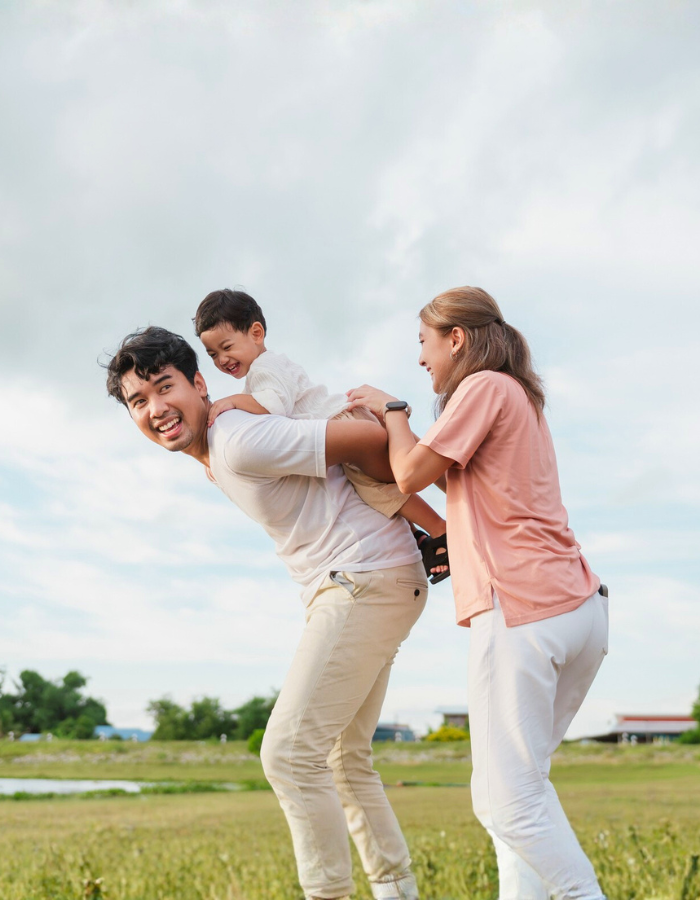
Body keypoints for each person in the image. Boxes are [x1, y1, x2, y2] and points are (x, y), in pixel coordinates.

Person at [104, 325, 430, 900]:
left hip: (362, 578)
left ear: (200, 383)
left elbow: (370, 442)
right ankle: (397, 891)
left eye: (165, 387)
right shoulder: (220, 453)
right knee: (341, 758)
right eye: (139, 400)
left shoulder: (237, 439)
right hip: (367, 580)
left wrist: (427, 514)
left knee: (287, 754)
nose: (156, 408)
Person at [347, 286, 609, 900]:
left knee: (503, 803)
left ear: (455, 338)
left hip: (522, 610)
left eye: (423, 343)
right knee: (523, 792)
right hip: (578, 609)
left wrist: (392, 410)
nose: (420, 359)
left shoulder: (484, 386)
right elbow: (459, 489)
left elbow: (411, 472)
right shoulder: (518, 396)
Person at [191, 288, 448, 580]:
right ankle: (419, 539)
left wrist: (230, 402)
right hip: (344, 420)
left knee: (376, 489)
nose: (222, 359)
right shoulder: (265, 369)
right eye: (213, 355)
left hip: (344, 424)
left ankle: (440, 530)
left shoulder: (264, 371)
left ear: (256, 333)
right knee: (375, 489)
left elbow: (272, 406)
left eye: (227, 347)